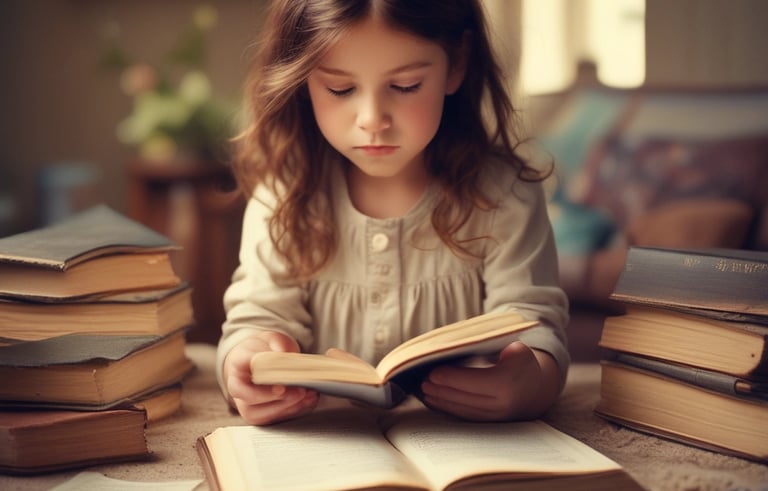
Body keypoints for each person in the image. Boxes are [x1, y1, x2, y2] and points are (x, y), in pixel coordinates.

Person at [218, 0, 570, 426]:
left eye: (405, 86)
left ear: (456, 63)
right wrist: (245, 366)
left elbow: (534, 325)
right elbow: (255, 319)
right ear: (302, 77)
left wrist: (531, 384)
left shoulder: (505, 196)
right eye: (340, 89)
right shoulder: (284, 197)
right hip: (329, 446)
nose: (372, 119)